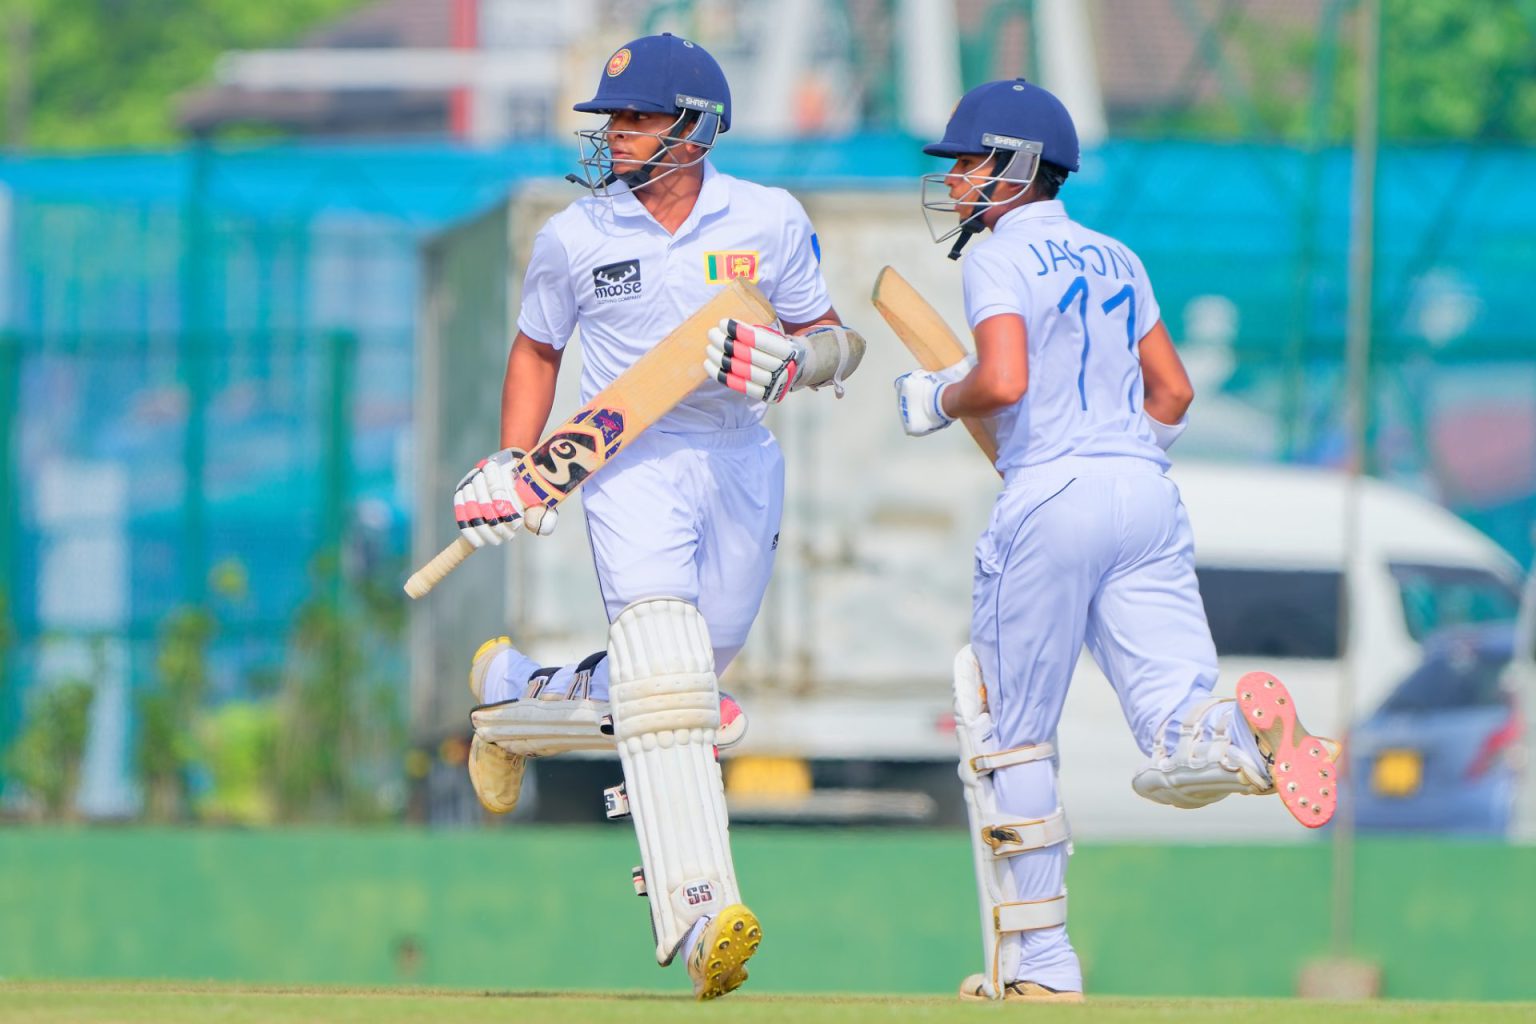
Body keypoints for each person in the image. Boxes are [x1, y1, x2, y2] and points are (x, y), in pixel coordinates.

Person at [893, 79, 1341, 1003]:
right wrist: (1116, 456)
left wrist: (936, 397)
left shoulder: (998, 255)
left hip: (1051, 495)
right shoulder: (1118, 255)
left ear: (1016, 167)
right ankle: (1246, 736)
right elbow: (1173, 391)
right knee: (1174, 722)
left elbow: (1003, 381)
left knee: (1012, 737)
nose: (957, 180)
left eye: (969, 162)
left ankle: (1041, 965)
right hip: (1144, 489)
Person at [450, 33, 862, 1001]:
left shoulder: (767, 217)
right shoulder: (577, 234)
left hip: (739, 457)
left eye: (636, 118)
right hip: (628, 460)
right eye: (612, 119)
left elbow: (836, 339)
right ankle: (701, 916)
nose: (616, 134)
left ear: (695, 127)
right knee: (671, 686)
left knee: (676, 685)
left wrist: (798, 362)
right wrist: (514, 461)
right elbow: (537, 349)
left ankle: (513, 700)